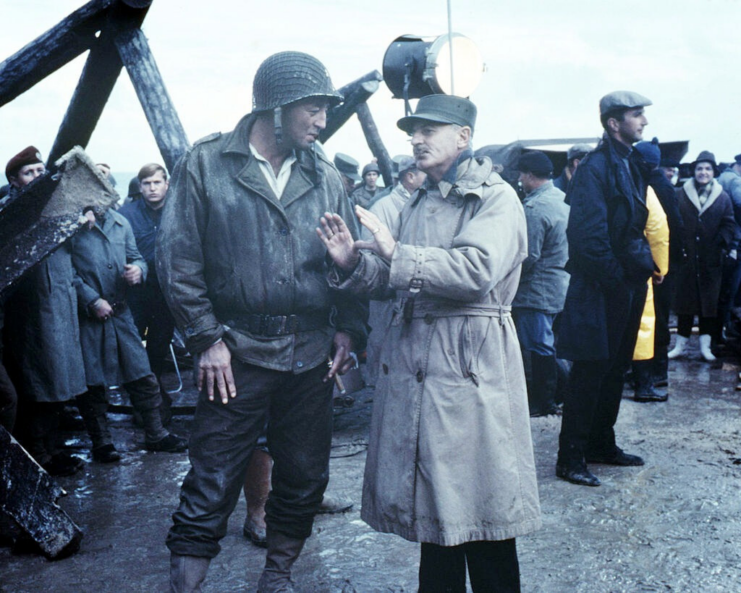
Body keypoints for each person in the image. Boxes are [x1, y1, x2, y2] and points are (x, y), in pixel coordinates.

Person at [157, 51, 367, 592]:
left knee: (303, 478)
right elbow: (177, 261)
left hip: (310, 355)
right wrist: (206, 338)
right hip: (235, 354)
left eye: (325, 109)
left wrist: (348, 328)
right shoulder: (205, 165)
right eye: (314, 109)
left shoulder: (324, 174)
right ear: (275, 110)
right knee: (210, 481)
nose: (322, 121)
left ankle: (277, 578)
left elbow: (344, 257)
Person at [318, 94, 541, 592]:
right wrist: (352, 264)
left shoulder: (495, 198)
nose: (415, 140)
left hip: (469, 365)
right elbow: (392, 271)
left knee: (483, 512)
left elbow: (476, 270)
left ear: (463, 137)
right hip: (425, 362)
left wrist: (400, 255)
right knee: (435, 517)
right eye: (412, 131)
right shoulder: (422, 198)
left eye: (428, 130)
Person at [556, 91, 655, 487]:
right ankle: (571, 457)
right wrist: (616, 279)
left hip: (624, 283)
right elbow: (587, 235)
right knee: (590, 371)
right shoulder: (595, 168)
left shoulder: (629, 162)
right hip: (601, 286)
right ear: (614, 123)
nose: (643, 121)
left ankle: (602, 443)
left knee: (615, 369)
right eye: (636, 115)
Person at [70, 207, 187, 463]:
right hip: (89, 318)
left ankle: (156, 434)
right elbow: (66, 272)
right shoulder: (70, 225)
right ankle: (102, 442)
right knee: (93, 384)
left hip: (121, 314)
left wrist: (138, 270)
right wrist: (91, 300)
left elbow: (136, 257)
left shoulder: (120, 222)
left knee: (142, 375)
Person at [2, 146, 87, 476]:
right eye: (29, 172)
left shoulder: (56, 211)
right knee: (39, 386)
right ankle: (39, 454)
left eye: (40, 171)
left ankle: (54, 449)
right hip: (32, 317)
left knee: (59, 385)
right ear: (15, 181)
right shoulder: (11, 216)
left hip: (61, 311)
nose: (37, 177)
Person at [512, 151, 569, 417]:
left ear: (531, 176)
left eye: (522, 175)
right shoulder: (562, 198)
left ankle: (544, 402)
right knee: (552, 344)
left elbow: (528, 255)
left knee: (538, 345)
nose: (520, 180)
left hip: (537, 290)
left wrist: (508, 279)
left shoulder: (534, 208)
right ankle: (562, 394)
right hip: (560, 285)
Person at [362, 156, 426, 388]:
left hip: (413, 298)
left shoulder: (421, 203)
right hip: (388, 298)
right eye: (422, 173)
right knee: (383, 357)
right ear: (410, 176)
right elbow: (369, 257)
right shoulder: (383, 207)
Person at [119, 163, 176, 423]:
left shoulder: (180, 211)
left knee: (158, 347)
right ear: (139, 187)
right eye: (146, 184)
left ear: (166, 184)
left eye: (157, 183)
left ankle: (154, 399)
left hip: (167, 294)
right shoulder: (127, 214)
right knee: (133, 351)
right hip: (136, 294)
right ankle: (147, 403)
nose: (152, 188)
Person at [668, 151, 736, 362]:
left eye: (707, 169)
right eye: (699, 169)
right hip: (686, 258)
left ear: (713, 172)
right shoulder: (680, 193)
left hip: (711, 260)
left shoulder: (722, 196)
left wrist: (722, 242)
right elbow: (673, 221)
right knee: (685, 303)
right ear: (693, 171)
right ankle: (680, 345)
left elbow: (729, 222)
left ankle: (705, 347)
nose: (703, 172)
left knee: (709, 304)